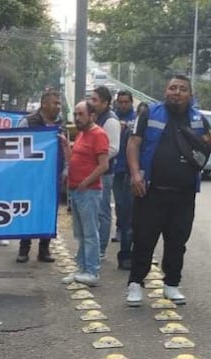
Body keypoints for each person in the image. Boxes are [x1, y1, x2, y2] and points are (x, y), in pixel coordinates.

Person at [124, 75, 211, 307]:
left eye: (182, 89)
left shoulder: (198, 119)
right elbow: (133, 144)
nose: (176, 92)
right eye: (172, 88)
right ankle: (135, 284)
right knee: (143, 239)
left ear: (190, 95)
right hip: (151, 191)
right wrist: (136, 173)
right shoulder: (149, 112)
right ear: (165, 91)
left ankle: (172, 284)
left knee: (178, 241)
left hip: (184, 193)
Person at [59, 100, 109, 287]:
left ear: (92, 116)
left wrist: (85, 182)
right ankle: (81, 268)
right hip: (77, 190)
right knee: (80, 233)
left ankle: (92, 271)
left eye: (81, 114)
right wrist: (66, 146)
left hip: (88, 191)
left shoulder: (98, 135)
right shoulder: (82, 134)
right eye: (76, 114)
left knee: (90, 233)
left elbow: (103, 165)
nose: (77, 118)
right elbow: (73, 159)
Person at [15, 90, 65, 263]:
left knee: (48, 212)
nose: (58, 107)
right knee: (28, 211)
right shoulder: (28, 122)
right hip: (30, 176)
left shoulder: (61, 124)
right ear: (44, 104)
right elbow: (17, 145)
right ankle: (24, 249)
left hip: (51, 177)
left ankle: (44, 249)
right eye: (54, 103)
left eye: (59, 104)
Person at [88, 85, 120, 258]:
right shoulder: (96, 118)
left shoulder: (110, 121)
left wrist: (94, 157)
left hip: (104, 173)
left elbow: (113, 148)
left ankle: (100, 248)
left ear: (105, 103)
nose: (91, 103)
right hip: (93, 171)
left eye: (95, 100)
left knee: (102, 211)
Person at [111, 90, 137, 270]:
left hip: (129, 170)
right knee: (119, 203)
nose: (123, 105)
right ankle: (120, 226)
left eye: (126, 102)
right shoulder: (112, 119)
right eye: (120, 102)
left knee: (128, 208)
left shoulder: (137, 119)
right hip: (115, 168)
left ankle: (129, 250)